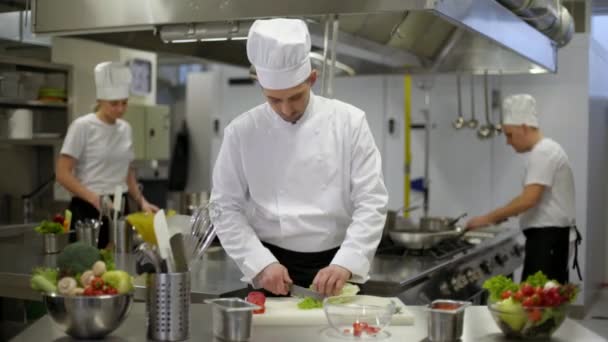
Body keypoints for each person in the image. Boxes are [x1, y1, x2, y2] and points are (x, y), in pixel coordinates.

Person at [210, 18, 388, 296]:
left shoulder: (350, 122)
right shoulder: (242, 132)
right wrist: (260, 263)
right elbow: (224, 207)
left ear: (312, 79)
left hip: (336, 266)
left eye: (295, 97)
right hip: (272, 268)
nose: (286, 109)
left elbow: (371, 201)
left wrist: (346, 262)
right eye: (274, 99)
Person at [466, 94, 581, 283]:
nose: (508, 142)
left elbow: (529, 200)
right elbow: (526, 197)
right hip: (551, 239)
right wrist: (499, 217)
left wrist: (486, 219)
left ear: (524, 128)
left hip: (547, 240)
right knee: (546, 301)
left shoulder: (543, 152)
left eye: (509, 135)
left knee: (537, 306)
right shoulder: (547, 150)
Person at [56, 61, 158, 248]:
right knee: (87, 267)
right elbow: (62, 173)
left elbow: (127, 174)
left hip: (120, 206)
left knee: (121, 263)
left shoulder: (125, 129)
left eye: (124, 103)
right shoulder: (83, 126)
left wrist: (142, 202)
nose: (120, 109)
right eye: (114, 104)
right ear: (100, 101)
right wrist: (95, 198)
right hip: (88, 208)